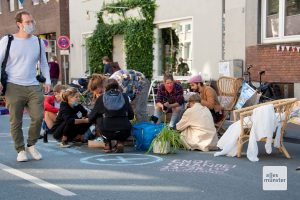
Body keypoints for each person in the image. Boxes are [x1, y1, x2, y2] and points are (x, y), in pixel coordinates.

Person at [0, 11, 51, 162]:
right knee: (16, 120)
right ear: (19, 24)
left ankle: (31, 144)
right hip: (13, 85)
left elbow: (44, 63)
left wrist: (47, 81)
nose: (31, 24)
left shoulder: (38, 41)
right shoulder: (8, 40)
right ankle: (20, 149)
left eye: (32, 21)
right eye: (27, 22)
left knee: (38, 116)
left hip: (33, 85)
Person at [88, 79, 134, 153]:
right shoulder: (124, 97)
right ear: (117, 86)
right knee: (124, 121)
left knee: (98, 117)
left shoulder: (101, 98)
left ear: (105, 87)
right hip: (124, 131)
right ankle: (120, 142)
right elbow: (131, 116)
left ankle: (107, 144)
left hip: (106, 131)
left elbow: (92, 117)